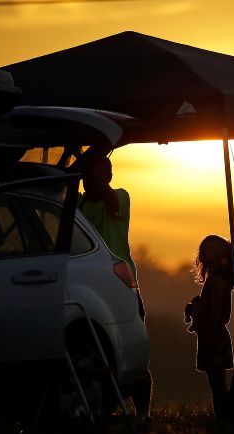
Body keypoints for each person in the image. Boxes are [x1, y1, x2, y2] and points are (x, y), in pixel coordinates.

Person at [66, 151, 153, 419]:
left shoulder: (120, 197)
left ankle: (143, 414)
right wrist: (78, 160)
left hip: (121, 287)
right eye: (87, 175)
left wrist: (86, 161)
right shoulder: (78, 204)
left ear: (110, 176)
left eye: (98, 174)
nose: (90, 180)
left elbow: (109, 198)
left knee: (135, 353)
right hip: (86, 290)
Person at [184, 235, 234, 418]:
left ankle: (224, 415)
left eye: (213, 248)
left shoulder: (217, 281)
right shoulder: (212, 279)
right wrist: (197, 307)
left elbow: (217, 312)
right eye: (205, 248)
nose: (208, 251)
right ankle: (221, 414)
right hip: (209, 335)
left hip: (214, 337)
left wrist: (210, 338)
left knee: (217, 381)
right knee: (214, 381)